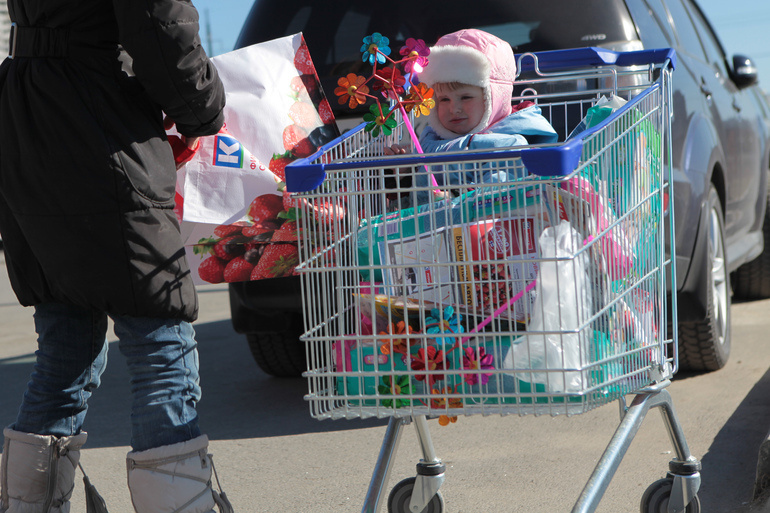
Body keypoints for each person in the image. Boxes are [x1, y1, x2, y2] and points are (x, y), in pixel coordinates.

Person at [0, 0, 231, 512]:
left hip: (28, 116)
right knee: (160, 340)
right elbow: (159, 22)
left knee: (65, 343)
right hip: (99, 120)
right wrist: (206, 107)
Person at [384, 28, 558, 206]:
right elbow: (410, 208)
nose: (454, 109)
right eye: (444, 99)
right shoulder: (430, 141)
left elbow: (498, 197)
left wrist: (454, 199)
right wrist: (404, 175)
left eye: (465, 97)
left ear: (494, 98)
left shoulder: (506, 146)